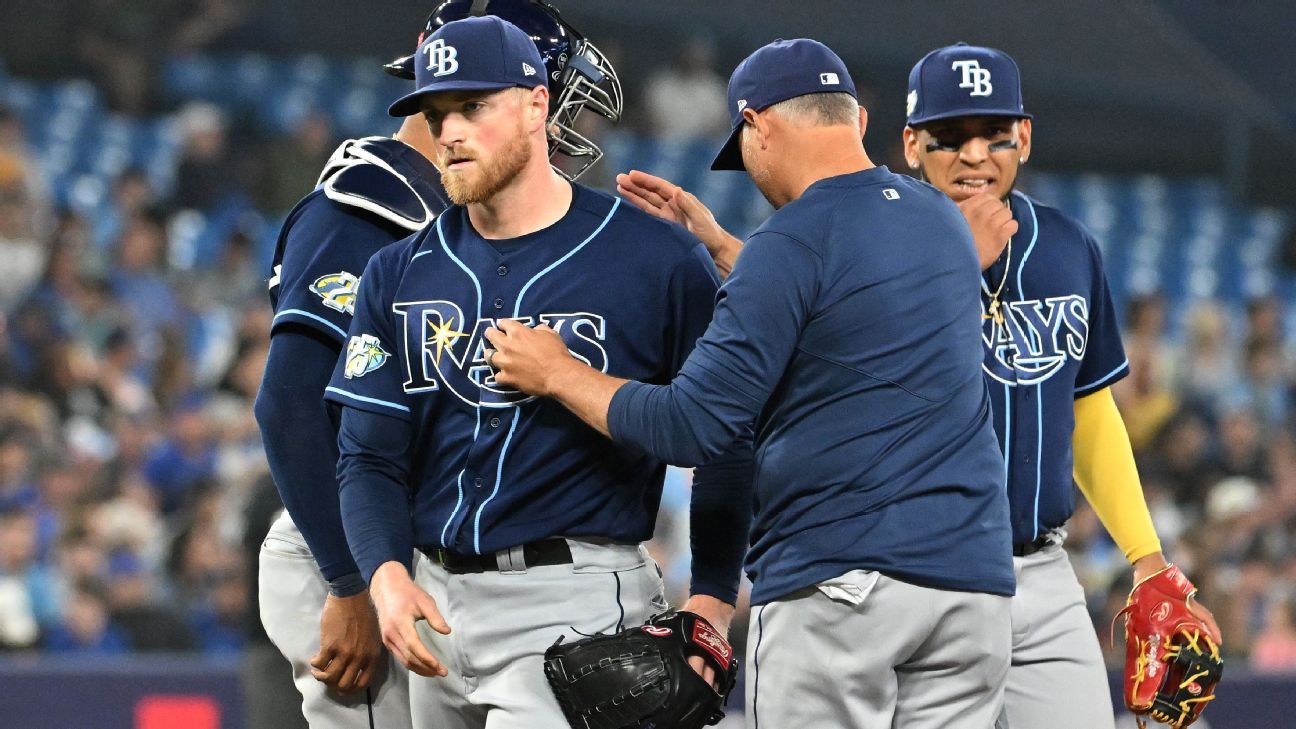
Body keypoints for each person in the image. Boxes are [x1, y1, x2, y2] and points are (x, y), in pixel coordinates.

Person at [611, 42, 1223, 729]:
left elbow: (1089, 410)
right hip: (915, 566)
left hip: (1035, 570)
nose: (974, 154)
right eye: (949, 136)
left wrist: (1146, 558)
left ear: (1025, 136)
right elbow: (817, 332)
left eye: (995, 134)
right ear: (907, 143)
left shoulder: (1066, 247)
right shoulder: (886, 237)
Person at [486, 38, 1014, 728]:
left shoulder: (790, 241)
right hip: (970, 590)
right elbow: (848, 304)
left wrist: (559, 372)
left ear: (759, 124)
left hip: (841, 585)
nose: (754, 171)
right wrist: (726, 248)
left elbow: (692, 424)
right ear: (853, 120)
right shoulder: (938, 219)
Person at [322, 14, 749, 729]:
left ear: (535, 105)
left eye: (473, 106)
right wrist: (386, 576)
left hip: (574, 600)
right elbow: (367, 454)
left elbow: (727, 435)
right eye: (436, 113)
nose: (450, 131)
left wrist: (708, 591)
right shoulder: (396, 272)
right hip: (434, 602)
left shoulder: (653, 258)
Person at [252, 19, 449, 729]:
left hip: (406, 540)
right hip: (349, 546)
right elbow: (289, 404)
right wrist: (349, 581)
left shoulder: (458, 220)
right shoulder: (368, 207)